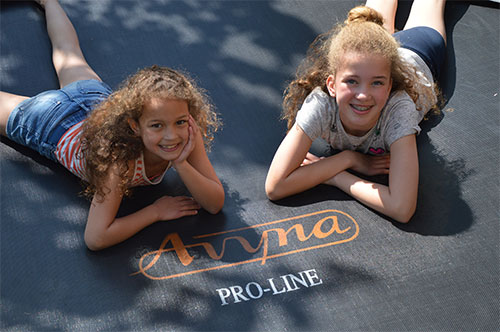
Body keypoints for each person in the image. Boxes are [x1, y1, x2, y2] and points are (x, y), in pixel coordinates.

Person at [0, 0, 224, 250]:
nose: (171, 135)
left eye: (180, 121)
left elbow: (215, 203)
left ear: (188, 117)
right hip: (54, 124)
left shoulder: (187, 134)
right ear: (134, 126)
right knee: (66, 53)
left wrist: (181, 164)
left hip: (93, 97)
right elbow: (95, 238)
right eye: (157, 126)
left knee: (69, 51)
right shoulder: (119, 160)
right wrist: (155, 211)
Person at [265, 0, 447, 223]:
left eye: (377, 84)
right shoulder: (321, 104)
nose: (363, 95)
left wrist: (336, 177)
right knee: (370, 24)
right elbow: (275, 186)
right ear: (331, 85)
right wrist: (350, 159)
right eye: (351, 81)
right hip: (376, 59)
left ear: (389, 86)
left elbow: (402, 208)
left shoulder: (398, 110)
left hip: (419, 51)